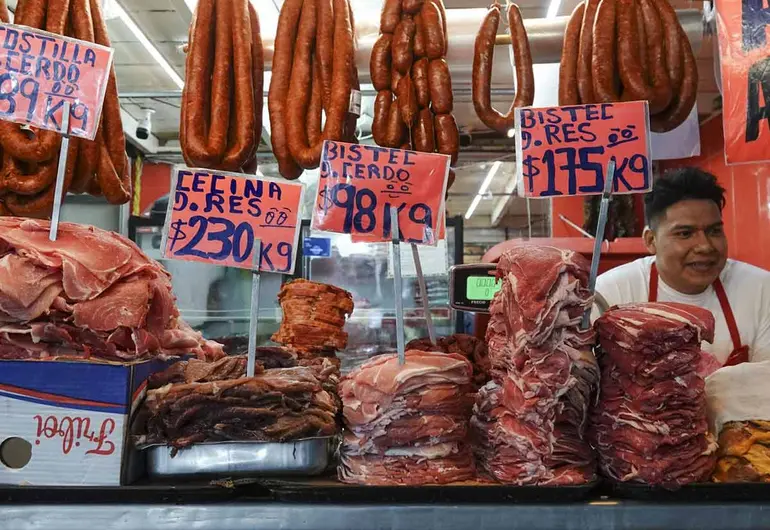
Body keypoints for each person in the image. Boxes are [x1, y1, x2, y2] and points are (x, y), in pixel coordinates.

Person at [595, 167, 770, 365]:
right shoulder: (610, 294)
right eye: (685, 234)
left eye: (714, 231)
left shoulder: (761, 289)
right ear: (651, 240)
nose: (705, 246)